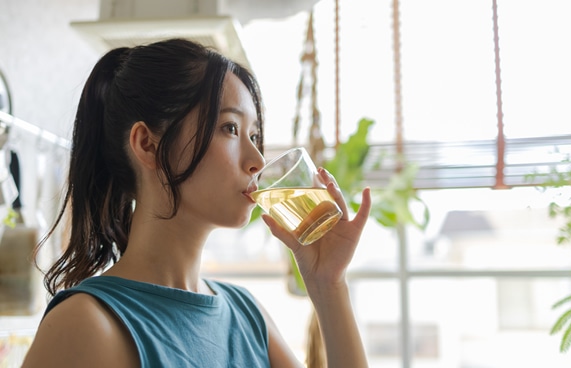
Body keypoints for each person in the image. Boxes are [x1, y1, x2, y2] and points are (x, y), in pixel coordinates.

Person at [22, 38, 372, 368]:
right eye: (230, 128)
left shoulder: (248, 316)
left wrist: (329, 285)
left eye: (255, 136)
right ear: (147, 144)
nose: (256, 161)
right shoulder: (87, 325)